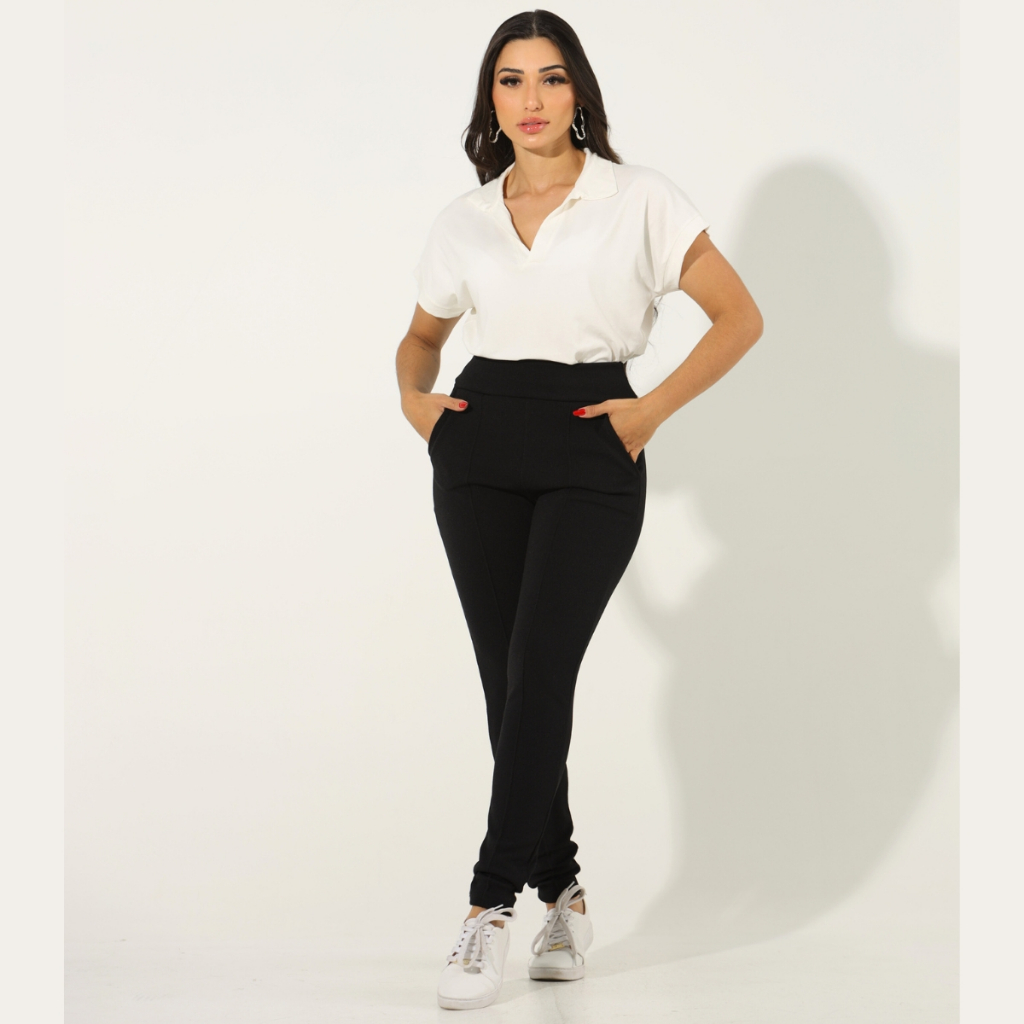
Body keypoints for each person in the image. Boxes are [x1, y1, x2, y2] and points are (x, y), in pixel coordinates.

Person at [395, 10, 763, 1011]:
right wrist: (415, 403)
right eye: (510, 80)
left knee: (540, 672)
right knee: (508, 685)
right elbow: (421, 339)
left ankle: (488, 906)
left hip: (592, 442)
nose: (530, 99)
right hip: (478, 444)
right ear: (490, 99)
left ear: (579, 93)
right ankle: (562, 893)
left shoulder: (638, 198)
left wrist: (646, 412)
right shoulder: (465, 218)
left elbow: (739, 317)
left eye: (550, 78)